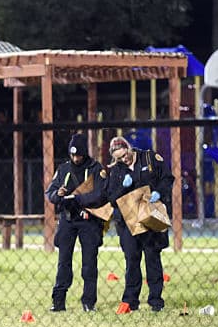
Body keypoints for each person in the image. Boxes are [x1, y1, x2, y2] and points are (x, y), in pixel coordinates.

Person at [106, 136, 174, 312]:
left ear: (129, 148)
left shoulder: (149, 158)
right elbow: (111, 198)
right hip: (127, 223)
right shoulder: (115, 170)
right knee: (132, 260)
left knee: (153, 257)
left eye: (125, 154)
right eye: (119, 158)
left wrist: (159, 192)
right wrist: (123, 186)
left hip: (149, 217)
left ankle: (156, 301)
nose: (124, 159)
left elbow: (167, 178)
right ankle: (131, 301)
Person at [45, 133, 108, 312]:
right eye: (72, 155)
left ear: (84, 153)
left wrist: (78, 199)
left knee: (89, 263)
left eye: (78, 155)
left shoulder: (96, 168)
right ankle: (58, 302)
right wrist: (58, 195)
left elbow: (101, 194)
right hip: (67, 219)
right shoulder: (64, 169)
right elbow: (50, 192)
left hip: (88, 220)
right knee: (63, 262)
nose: (75, 158)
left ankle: (89, 303)